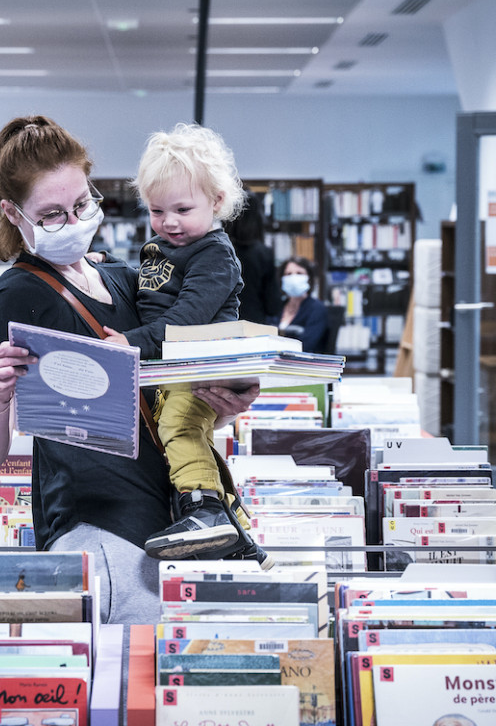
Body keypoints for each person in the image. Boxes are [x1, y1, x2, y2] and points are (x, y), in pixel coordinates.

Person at [0, 116, 258, 625]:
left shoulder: (127, 277)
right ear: (13, 213)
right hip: (101, 528)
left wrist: (224, 405)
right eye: (52, 214)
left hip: (175, 517)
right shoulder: (21, 293)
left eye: (82, 203)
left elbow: (157, 402)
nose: (74, 220)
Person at [100, 123, 272, 569]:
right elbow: (149, 297)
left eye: (182, 208)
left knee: (180, 428)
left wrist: (130, 344)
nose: (169, 222)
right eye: (157, 210)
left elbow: (184, 321)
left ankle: (205, 510)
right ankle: (236, 535)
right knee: (183, 438)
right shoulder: (160, 247)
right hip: (170, 369)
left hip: (200, 366)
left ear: (217, 202)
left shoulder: (215, 255)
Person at [223, 194, 282, 325]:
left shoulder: (220, 250)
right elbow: (273, 305)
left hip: (225, 323)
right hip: (255, 325)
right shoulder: (264, 253)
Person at [275, 256, 329, 353]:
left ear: (309, 278)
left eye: (299, 273)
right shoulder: (276, 308)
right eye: (288, 274)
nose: (293, 278)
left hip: (304, 364)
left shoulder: (317, 309)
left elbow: (306, 345)